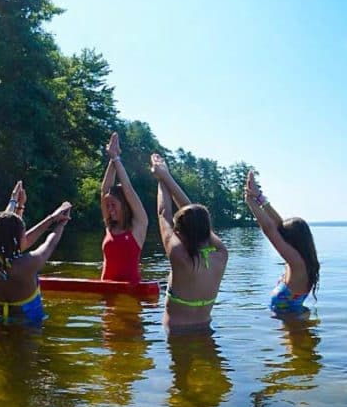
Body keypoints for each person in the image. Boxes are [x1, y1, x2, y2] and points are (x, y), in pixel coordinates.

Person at [151, 154, 228, 333]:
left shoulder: (179, 255)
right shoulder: (221, 254)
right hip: (205, 329)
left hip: (177, 334)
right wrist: (166, 175)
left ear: (179, 232)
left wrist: (161, 177)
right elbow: (192, 214)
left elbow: (164, 213)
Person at [0, 181, 74, 325]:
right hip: (26, 326)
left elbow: (5, 229)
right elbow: (49, 243)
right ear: (17, 238)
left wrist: (15, 201)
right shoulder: (27, 264)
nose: (25, 236)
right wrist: (60, 223)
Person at [244, 170, 319, 316]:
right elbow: (278, 225)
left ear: (292, 239)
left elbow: (270, 229)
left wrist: (250, 202)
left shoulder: (296, 263)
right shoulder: (302, 260)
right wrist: (259, 197)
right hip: (294, 326)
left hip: (294, 328)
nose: (281, 236)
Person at [95, 132, 149, 283]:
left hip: (130, 297)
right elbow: (104, 190)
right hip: (107, 294)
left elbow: (128, 189)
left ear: (124, 205)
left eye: (113, 205)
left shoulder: (138, 225)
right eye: (108, 205)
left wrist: (117, 159)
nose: (109, 209)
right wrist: (112, 159)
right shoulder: (109, 226)